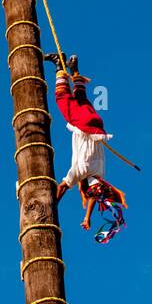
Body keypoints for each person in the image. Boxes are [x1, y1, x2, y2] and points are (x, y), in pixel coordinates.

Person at [45, 52, 127, 242]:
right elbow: (63, 187)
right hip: (84, 126)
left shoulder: (99, 171)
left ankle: (74, 67)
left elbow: (94, 194)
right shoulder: (79, 171)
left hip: (97, 125)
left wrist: (87, 217)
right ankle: (59, 64)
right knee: (62, 100)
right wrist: (53, 205)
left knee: (82, 101)